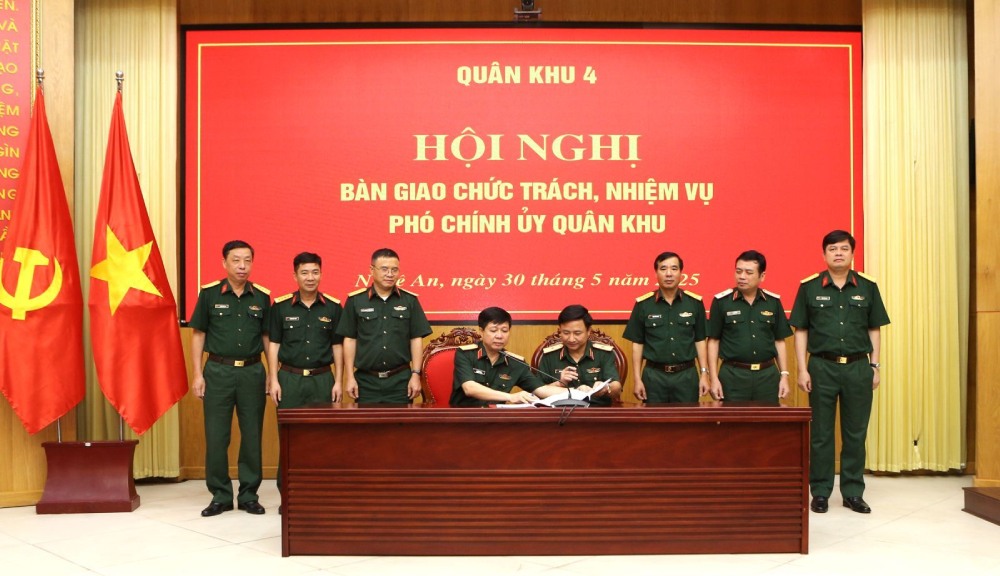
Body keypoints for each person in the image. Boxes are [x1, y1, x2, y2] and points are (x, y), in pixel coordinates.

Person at [789, 230, 889, 515]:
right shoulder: (809, 287)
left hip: (859, 366)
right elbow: (801, 330)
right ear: (824, 254)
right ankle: (820, 492)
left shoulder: (867, 286)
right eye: (832, 249)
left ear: (852, 253)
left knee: (855, 433)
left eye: (844, 248)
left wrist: (875, 365)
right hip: (822, 366)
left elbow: (874, 328)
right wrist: (802, 369)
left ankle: (853, 492)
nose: (838, 253)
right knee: (820, 434)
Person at [189, 240, 271, 517]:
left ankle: (249, 494)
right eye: (236, 260)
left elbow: (267, 337)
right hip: (218, 372)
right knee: (216, 436)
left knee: (252, 435)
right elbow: (198, 334)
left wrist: (271, 375)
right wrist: (198, 374)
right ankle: (220, 495)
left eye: (247, 260)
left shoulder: (261, 297)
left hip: (252, 372)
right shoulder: (210, 294)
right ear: (224, 263)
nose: (242, 266)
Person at [266, 252, 343, 505]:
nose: (310, 278)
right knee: (289, 438)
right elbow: (274, 344)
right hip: (289, 378)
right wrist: (273, 379)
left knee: (324, 438)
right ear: (295, 275)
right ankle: (287, 497)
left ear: (321, 273)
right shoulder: (281, 306)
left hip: (323, 379)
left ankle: (320, 494)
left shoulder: (332, 307)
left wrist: (339, 380)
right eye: (305, 272)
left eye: (315, 272)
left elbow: (338, 348)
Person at [337, 248, 432, 403]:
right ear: (372, 270)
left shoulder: (410, 301)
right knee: (366, 427)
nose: (390, 274)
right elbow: (350, 340)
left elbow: (416, 339)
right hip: (366, 382)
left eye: (394, 270)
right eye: (384, 269)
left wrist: (415, 374)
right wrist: (350, 377)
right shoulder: (356, 301)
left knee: (401, 427)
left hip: (401, 381)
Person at [706, 250, 793, 403]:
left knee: (767, 425)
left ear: (762, 276)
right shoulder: (722, 302)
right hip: (733, 376)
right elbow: (713, 341)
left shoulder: (773, 302)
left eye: (748, 272)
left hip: (767, 376)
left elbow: (779, 340)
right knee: (732, 426)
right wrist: (713, 378)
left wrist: (784, 374)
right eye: (738, 271)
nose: (742, 276)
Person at [623, 251, 709, 403]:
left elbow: (700, 340)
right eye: (663, 269)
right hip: (654, 377)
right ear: (656, 273)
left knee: (688, 424)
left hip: (686, 376)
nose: (669, 274)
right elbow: (637, 344)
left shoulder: (694, 303)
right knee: (653, 425)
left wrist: (704, 373)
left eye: (674, 268)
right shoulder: (643, 304)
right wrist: (637, 379)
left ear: (681, 273)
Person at [451, 306, 563, 407]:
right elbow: (469, 388)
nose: (499, 336)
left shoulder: (516, 363)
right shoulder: (465, 354)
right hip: (464, 419)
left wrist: (576, 391)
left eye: (504, 331)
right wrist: (511, 397)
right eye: (493, 330)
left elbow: (541, 389)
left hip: (498, 422)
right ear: (481, 331)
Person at [537, 304, 623, 406]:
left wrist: (606, 388)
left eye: (577, 333)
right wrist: (559, 383)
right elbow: (536, 391)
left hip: (596, 412)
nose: (571, 339)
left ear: (588, 331)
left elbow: (616, 387)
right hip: (559, 413)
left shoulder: (603, 353)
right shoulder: (549, 356)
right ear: (559, 330)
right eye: (566, 333)